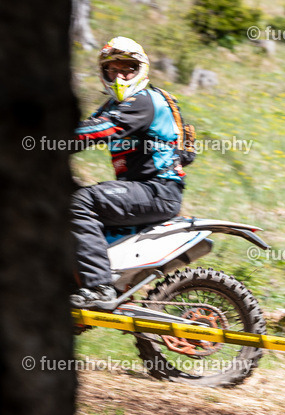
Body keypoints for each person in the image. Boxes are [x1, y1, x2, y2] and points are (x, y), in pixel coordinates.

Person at [70, 37, 185, 309]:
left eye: (128, 68)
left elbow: (102, 129)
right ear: (104, 72)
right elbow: (89, 126)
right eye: (113, 69)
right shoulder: (112, 106)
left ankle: (99, 287)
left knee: (81, 201)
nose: (120, 76)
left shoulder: (144, 101)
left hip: (157, 191)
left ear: (140, 69)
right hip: (140, 191)